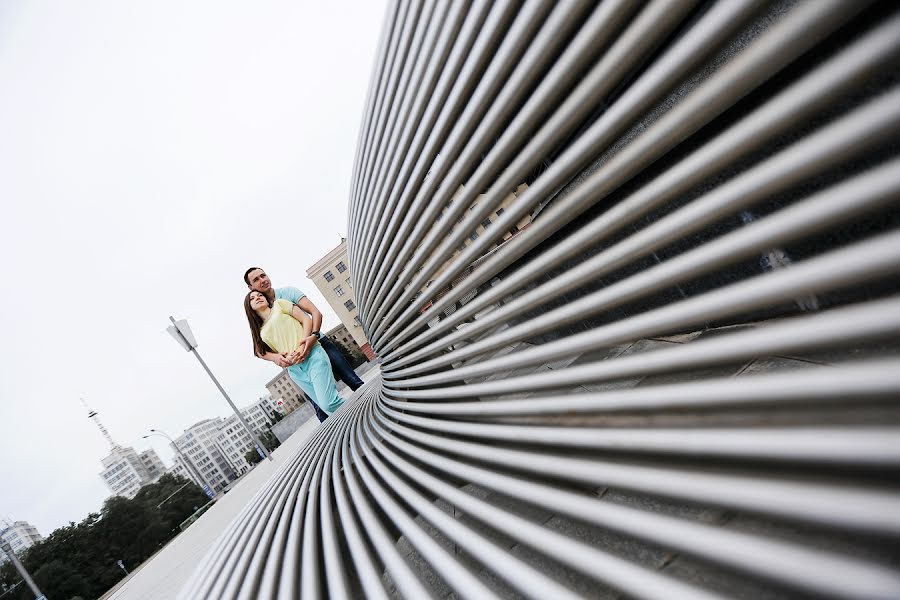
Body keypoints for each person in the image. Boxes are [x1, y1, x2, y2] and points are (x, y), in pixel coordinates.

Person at [244, 267, 365, 391]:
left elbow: (315, 313)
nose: (262, 280)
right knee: (319, 404)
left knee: (352, 380)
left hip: (318, 342)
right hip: (297, 360)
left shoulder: (288, 292)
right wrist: (274, 357)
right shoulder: (260, 311)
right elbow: (258, 348)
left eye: (263, 275)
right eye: (256, 279)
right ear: (250, 287)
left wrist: (314, 336)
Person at [244, 290, 344, 419]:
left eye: (260, 295)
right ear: (249, 306)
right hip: (295, 370)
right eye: (252, 298)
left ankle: (369, 410)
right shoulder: (260, 330)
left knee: (329, 403)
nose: (257, 297)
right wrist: (275, 357)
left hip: (312, 355)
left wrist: (303, 345)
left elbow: (306, 319)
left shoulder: (280, 304)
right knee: (329, 410)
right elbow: (259, 352)